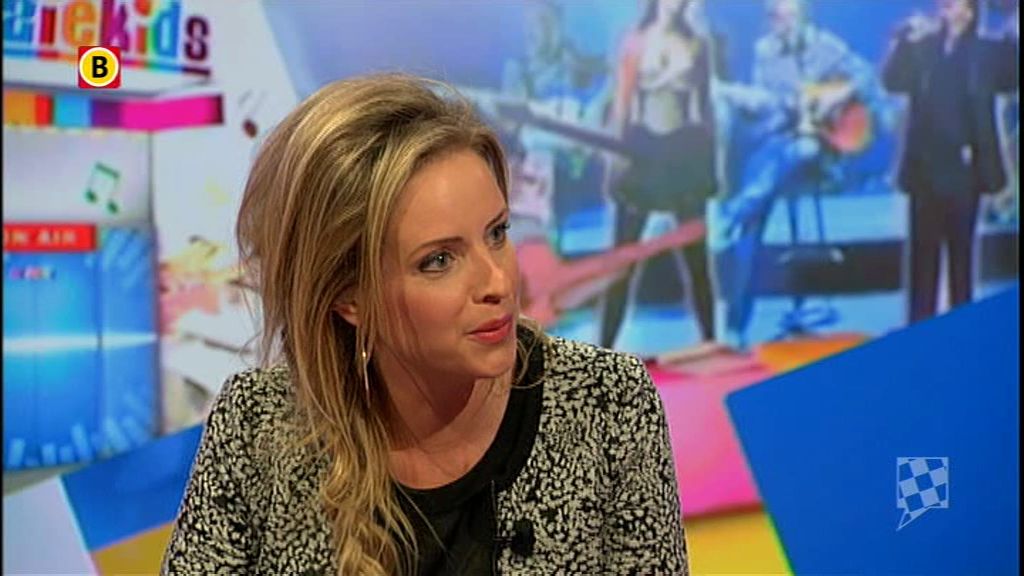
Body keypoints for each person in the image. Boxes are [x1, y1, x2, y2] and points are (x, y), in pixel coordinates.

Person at [161, 74, 688, 575]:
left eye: (497, 233)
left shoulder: (607, 403)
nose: (498, 282)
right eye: (439, 260)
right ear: (348, 297)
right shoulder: (257, 426)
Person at [715, 0, 881, 349]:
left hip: (818, 149)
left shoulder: (825, 46)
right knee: (751, 228)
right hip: (778, 144)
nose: (782, 23)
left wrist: (836, 97)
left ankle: (737, 208)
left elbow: (866, 76)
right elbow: (769, 104)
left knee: (801, 151)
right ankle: (735, 325)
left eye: (788, 16)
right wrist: (740, 98)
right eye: (776, 16)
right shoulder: (765, 51)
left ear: (804, 17)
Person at [882, 0, 1018, 323]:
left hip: (965, 170)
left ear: (969, 11)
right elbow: (893, 82)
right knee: (922, 263)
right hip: (924, 169)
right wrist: (901, 43)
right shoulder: (923, 46)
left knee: (961, 262)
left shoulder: (988, 52)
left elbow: (1012, 77)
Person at [599, 0, 720, 351]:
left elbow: (705, 107)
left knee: (697, 260)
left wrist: (711, 166)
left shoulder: (696, 43)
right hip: (643, 151)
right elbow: (622, 105)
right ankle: (604, 348)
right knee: (622, 262)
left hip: (684, 151)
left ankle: (711, 341)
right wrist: (616, 161)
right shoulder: (636, 41)